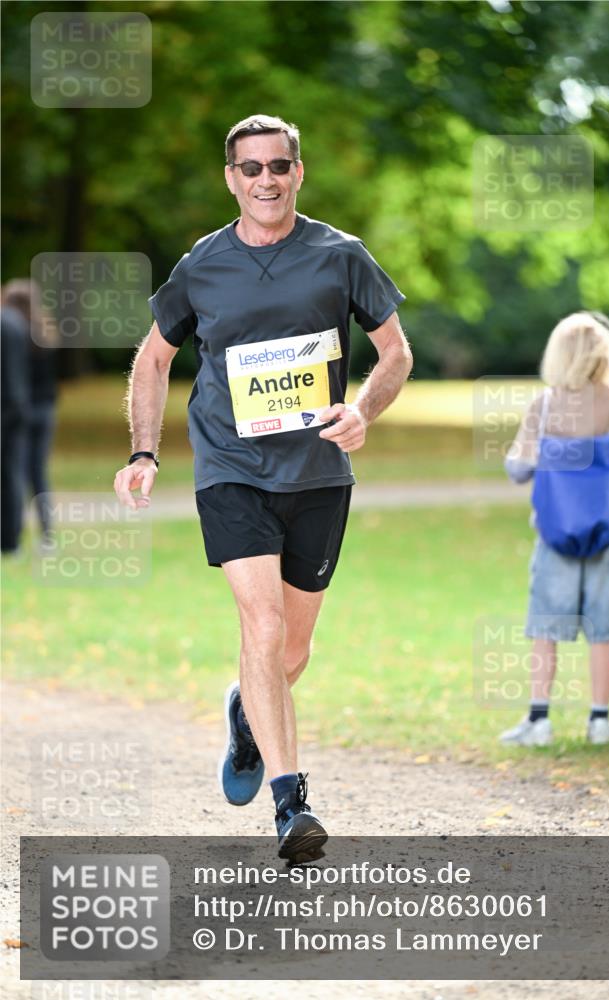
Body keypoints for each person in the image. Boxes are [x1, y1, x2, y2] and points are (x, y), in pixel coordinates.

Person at [114, 114, 412, 860]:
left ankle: (246, 715)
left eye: (279, 166)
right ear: (231, 179)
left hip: (316, 474)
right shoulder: (202, 265)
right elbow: (153, 361)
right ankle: (291, 804)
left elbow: (395, 353)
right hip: (230, 469)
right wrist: (144, 452)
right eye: (251, 168)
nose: (266, 180)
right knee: (265, 627)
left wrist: (362, 409)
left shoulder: (341, 256)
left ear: (298, 173)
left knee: (292, 652)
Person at [499, 312, 609, 747]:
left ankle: (539, 720)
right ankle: (600, 721)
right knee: (603, 629)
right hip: (605, 534)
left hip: (555, 534)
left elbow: (518, 470)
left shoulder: (545, 405)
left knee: (546, 627)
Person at [2, 279, 59, 544]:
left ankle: (14, 530)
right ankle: (47, 533)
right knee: (38, 473)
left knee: (15, 471)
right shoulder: (45, 333)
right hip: (45, 410)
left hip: (19, 410)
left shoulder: (11, 332)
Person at [1, 291, 30, 554]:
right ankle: (11, 539)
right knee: (12, 474)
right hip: (18, 405)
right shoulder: (16, 322)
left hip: (5, 406)